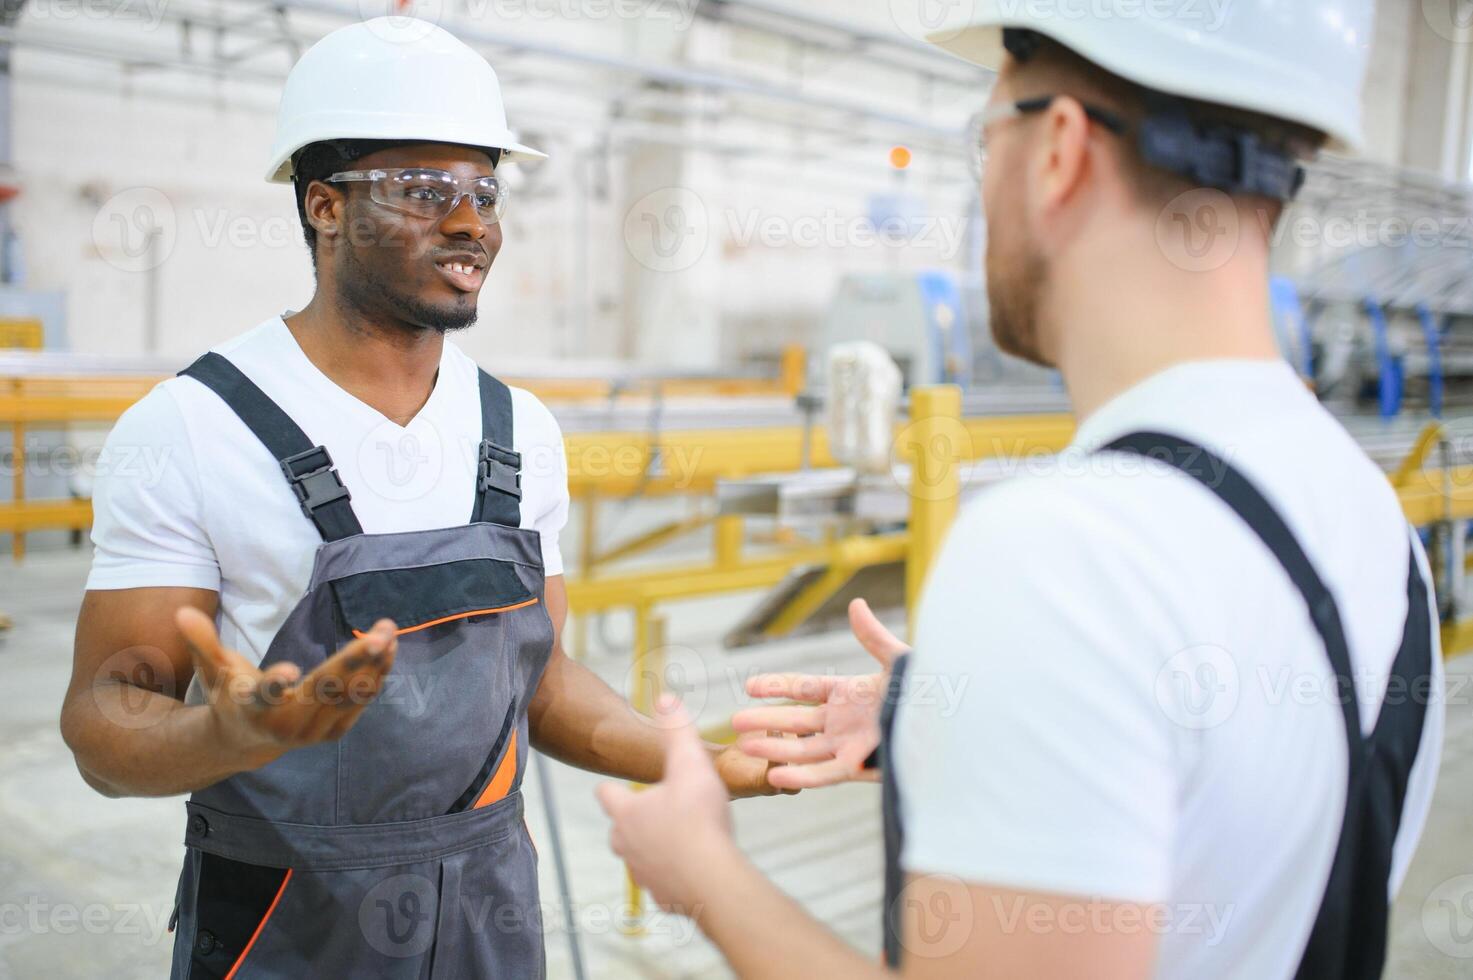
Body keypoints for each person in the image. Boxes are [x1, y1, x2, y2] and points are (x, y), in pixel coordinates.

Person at [597, 2, 1446, 977]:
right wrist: (967, 704)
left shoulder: (1059, 554)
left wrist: (703, 872)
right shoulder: (1365, 511)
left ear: (1060, 151)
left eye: (984, 135)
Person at [58, 18, 780, 978]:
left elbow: (545, 683)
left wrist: (696, 760)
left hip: (490, 913)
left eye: (484, 191)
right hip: (286, 919)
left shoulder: (517, 430)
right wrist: (220, 733)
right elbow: (107, 716)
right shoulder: (193, 426)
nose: (470, 222)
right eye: (424, 191)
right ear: (323, 206)